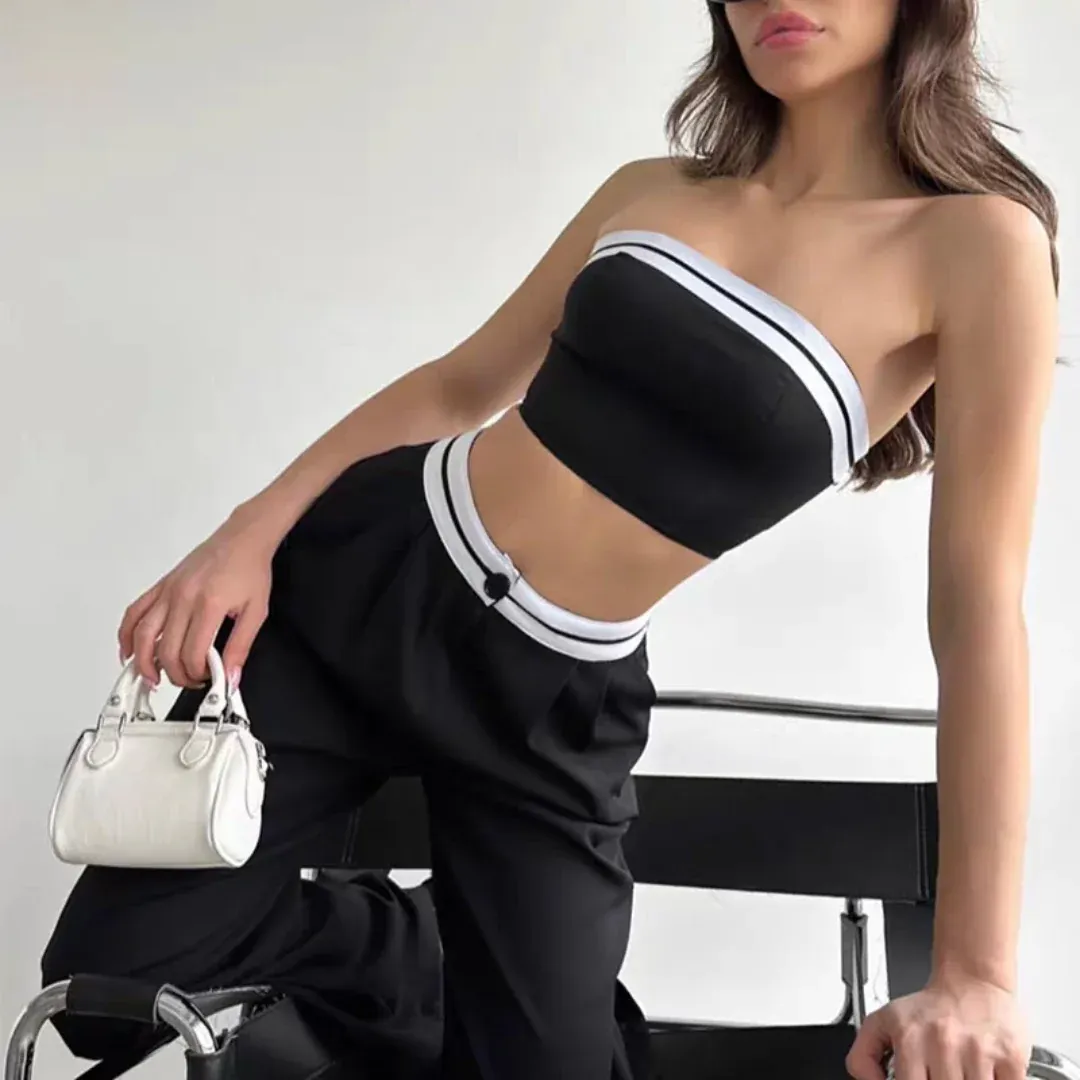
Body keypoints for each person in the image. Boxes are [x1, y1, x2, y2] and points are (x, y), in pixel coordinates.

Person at [42, 0, 1061, 1077]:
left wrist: (979, 973)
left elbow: (978, 612)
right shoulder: (652, 192)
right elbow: (460, 386)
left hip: (551, 700)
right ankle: (413, 946)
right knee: (111, 992)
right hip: (371, 583)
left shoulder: (979, 246)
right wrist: (243, 535)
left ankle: (449, 955)